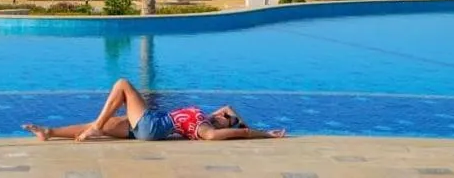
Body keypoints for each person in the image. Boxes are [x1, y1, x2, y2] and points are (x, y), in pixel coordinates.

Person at [22, 78, 286, 142]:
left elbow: (216, 137)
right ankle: (49, 131)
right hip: (146, 128)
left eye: (228, 118)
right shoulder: (208, 117)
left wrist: (259, 133)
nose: (224, 113)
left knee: (122, 84)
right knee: (103, 122)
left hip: (152, 124)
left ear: (228, 126)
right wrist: (232, 116)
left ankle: (96, 127)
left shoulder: (205, 128)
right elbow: (228, 106)